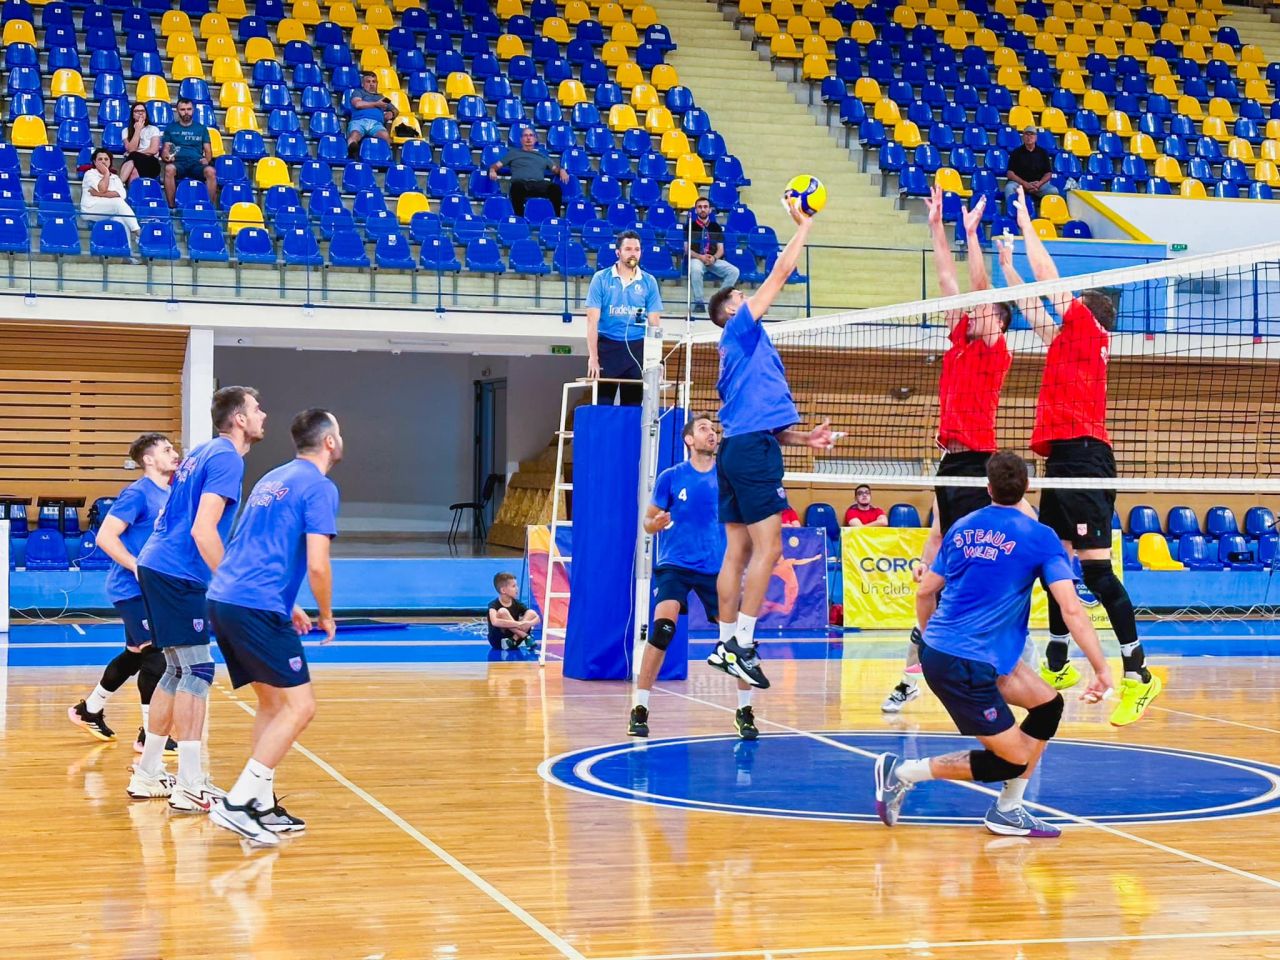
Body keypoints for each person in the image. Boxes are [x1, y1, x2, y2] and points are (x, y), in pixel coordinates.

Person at [874, 451, 1114, 837]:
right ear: (1029, 488)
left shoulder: (964, 527)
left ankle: (1008, 808)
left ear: (988, 488)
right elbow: (1071, 609)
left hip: (961, 653)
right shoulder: (1041, 537)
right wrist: (1102, 669)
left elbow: (925, 594)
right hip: (963, 664)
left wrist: (932, 640)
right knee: (1014, 760)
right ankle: (902, 772)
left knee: (1049, 706)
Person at [1002, 188, 1162, 726]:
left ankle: (1139, 672)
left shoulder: (1090, 328)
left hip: (1087, 459)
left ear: (1088, 312)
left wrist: (1028, 223)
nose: (1061, 306)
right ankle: (1056, 657)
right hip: (1064, 461)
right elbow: (1032, 303)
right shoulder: (1066, 341)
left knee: (1093, 572)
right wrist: (1007, 265)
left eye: (1073, 300)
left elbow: (1050, 280)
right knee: (1055, 561)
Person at [884, 183, 1013, 715]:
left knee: (964, 578)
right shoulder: (959, 341)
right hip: (950, 461)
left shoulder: (995, 349)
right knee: (926, 582)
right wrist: (938, 225)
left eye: (983, 313)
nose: (972, 313)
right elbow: (948, 284)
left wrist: (973, 234)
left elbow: (978, 289)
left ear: (998, 324)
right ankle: (919, 665)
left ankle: (984, 662)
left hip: (979, 464)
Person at [704, 193, 836, 691]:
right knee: (770, 546)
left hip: (743, 446)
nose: (747, 297)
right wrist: (803, 226)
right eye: (740, 297)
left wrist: (805, 437)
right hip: (751, 452)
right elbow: (780, 275)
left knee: (737, 549)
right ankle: (743, 644)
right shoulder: (738, 330)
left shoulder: (750, 352)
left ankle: (724, 642)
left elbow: (762, 422)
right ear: (731, 311)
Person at [207, 409, 343, 845]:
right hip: (254, 604)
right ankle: (237, 802)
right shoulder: (320, 487)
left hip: (226, 597)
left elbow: (251, 545)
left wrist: (289, 606)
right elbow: (318, 565)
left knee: (271, 706)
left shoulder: (273, 478)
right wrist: (325, 613)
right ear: (329, 443)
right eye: (339, 433)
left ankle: (260, 805)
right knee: (300, 708)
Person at [127, 386, 266, 810]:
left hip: (159, 564)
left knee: (174, 669)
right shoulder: (225, 458)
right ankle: (190, 782)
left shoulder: (204, 453)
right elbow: (203, 529)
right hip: (177, 571)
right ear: (239, 419)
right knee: (198, 670)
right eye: (257, 409)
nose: (264, 414)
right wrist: (233, 585)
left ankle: (149, 773)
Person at [631, 416, 758, 740]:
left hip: (716, 570)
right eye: (703, 429)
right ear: (689, 439)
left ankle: (744, 711)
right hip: (674, 564)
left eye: (714, 430)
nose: (711, 433)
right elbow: (647, 521)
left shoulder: (726, 478)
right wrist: (654, 524)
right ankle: (640, 708)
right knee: (663, 630)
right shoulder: (671, 477)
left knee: (739, 642)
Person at [68, 433, 181, 751]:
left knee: (135, 656)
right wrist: (137, 567)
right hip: (130, 589)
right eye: (166, 450)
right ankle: (150, 736)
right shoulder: (137, 494)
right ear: (148, 459)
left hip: (155, 590)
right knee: (157, 657)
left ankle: (89, 709)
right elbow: (105, 537)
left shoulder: (169, 493)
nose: (175, 453)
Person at [585, 231, 663, 405]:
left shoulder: (649, 282)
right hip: (607, 348)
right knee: (603, 405)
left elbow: (654, 324)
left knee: (633, 407)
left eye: (637, 249)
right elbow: (592, 321)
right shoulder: (601, 279)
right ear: (618, 252)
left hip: (636, 348)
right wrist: (593, 357)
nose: (633, 253)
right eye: (628, 249)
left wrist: (656, 361)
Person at [488, 127, 570, 216]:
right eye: (525, 135)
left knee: (555, 188)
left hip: (539, 184)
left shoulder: (542, 156)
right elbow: (496, 166)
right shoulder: (513, 154)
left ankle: (556, 219)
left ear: (535, 139)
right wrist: (492, 170)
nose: (528, 138)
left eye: (531, 135)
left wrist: (562, 170)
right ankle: (520, 219)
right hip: (522, 184)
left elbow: (555, 169)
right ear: (521, 139)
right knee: (516, 187)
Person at [80, 149, 141, 258]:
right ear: (94, 162)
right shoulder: (90, 174)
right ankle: (138, 233)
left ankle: (127, 253)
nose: (103, 162)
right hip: (91, 210)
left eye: (106, 159)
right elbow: (103, 188)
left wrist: (99, 194)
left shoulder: (116, 178)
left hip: (111, 211)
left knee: (122, 220)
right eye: (100, 159)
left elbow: (122, 194)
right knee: (117, 203)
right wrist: (106, 173)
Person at [685, 197, 740, 312]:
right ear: (696, 210)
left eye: (705, 207)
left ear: (710, 210)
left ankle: (718, 301)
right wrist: (701, 257)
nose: (702, 209)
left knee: (734, 271)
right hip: (697, 258)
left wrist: (714, 258)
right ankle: (699, 302)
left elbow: (721, 249)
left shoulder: (716, 227)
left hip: (713, 259)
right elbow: (686, 250)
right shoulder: (689, 226)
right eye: (699, 207)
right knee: (695, 269)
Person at [161, 97, 217, 208]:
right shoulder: (170, 128)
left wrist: (207, 159)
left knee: (211, 171)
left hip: (196, 163)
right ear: (177, 111)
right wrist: (166, 157)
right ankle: (172, 208)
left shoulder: (201, 129)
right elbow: (166, 149)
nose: (186, 112)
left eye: (189, 109)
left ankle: (209, 207)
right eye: (182, 109)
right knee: (168, 169)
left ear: (193, 110)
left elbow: (208, 150)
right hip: (178, 163)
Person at [1003, 126, 1060, 208]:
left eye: (1032, 134)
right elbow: (1010, 173)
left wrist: (1039, 184)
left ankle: (1042, 212)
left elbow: (1048, 173)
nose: (1029, 137)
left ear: (1036, 137)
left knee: (1053, 191)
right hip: (1020, 184)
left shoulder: (1043, 152)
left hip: (1037, 185)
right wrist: (1024, 183)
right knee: (1009, 188)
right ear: (1023, 137)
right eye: (1027, 134)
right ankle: (1012, 212)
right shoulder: (1016, 152)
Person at [345, 71, 395, 160]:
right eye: (368, 82)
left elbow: (395, 110)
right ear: (363, 84)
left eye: (374, 82)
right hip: (359, 121)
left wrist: (392, 113)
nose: (371, 84)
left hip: (376, 124)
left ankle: (385, 160)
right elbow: (358, 104)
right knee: (355, 135)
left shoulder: (382, 97)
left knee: (385, 136)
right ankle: (352, 152)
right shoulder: (358, 92)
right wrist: (376, 104)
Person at [488, 572, 540, 650]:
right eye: (513, 586)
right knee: (502, 612)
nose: (517, 588)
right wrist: (519, 624)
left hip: (515, 640)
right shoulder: (493, 605)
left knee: (531, 612)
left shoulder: (517, 603)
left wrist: (528, 623)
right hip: (498, 641)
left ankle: (513, 640)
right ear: (503, 590)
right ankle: (525, 636)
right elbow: (495, 622)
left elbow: (537, 618)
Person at [119, 103, 162, 185]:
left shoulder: (153, 129)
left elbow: (153, 150)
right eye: (136, 111)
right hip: (133, 161)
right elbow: (131, 149)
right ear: (132, 115)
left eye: (142, 111)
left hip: (151, 162)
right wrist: (137, 130)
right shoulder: (125, 131)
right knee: (133, 171)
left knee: (132, 156)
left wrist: (135, 153)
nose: (140, 113)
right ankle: (128, 192)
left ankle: (119, 185)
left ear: (146, 113)